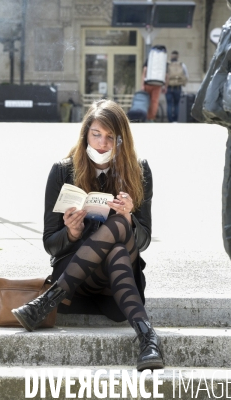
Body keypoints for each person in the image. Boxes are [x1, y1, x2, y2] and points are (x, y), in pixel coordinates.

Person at [11, 100, 162, 371]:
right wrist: (72, 232)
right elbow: (50, 243)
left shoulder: (139, 171)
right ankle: (147, 337)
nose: (102, 143)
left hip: (115, 289)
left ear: (121, 140)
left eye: (110, 137)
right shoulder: (62, 171)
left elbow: (144, 240)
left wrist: (128, 217)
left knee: (119, 235)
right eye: (96, 134)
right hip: (76, 286)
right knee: (115, 245)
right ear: (85, 135)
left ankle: (46, 302)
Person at [141, 45, 168, 122]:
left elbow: (145, 70)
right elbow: (166, 75)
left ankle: (145, 117)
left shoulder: (150, 59)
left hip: (148, 83)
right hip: (158, 84)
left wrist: (142, 84)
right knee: (154, 101)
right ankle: (151, 118)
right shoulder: (163, 61)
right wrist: (165, 86)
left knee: (146, 100)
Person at [166, 51, 189, 122]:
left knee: (169, 104)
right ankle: (175, 121)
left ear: (171, 56)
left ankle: (170, 121)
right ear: (178, 57)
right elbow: (187, 75)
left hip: (169, 87)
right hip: (178, 87)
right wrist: (183, 83)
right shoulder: (182, 65)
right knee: (176, 104)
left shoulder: (167, 65)